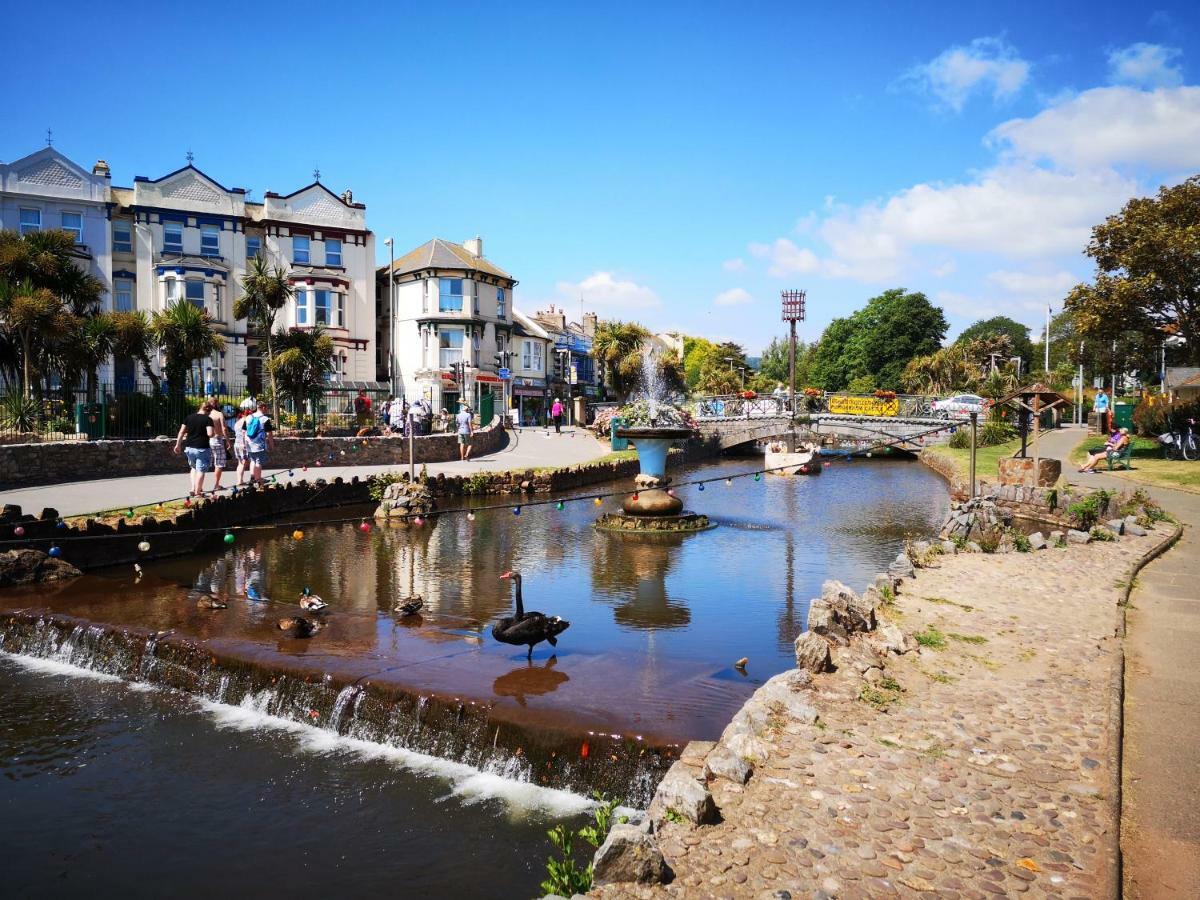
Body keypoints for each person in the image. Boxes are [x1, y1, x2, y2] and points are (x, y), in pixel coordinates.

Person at [173, 401, 215, 496]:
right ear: (209, 410)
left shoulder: (189, 417)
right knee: (201, 470)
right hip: (202, 448)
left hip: (189, 447)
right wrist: (214, 432)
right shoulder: (208, 419)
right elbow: (210, 434)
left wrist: (177, 444)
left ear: (199, 407)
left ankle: (193, 488)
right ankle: (197, 492)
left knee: (193, 468)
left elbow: (181, 432)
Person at [245, 399, 275, 484]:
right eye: (266, 408)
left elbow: (244, 431)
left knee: (253, 460)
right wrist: (271, 445)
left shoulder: (248, 417)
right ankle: (258, 480)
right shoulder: (265, 419)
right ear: (263, 407)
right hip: (259, 444)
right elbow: (269, 434)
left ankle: (253, 477)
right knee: (258, 462)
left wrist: (245, 443)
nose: (266, 410)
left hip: (249, 444)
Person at [206, 395, 229, 493]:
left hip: (207, 440)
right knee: (219, 463)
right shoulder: (219, 414)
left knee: (204, 464)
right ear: (215, 404)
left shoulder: (206, 414)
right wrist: (227, 440)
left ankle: (199, 486)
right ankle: (216, 484)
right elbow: (224, 428)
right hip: (217, 439)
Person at [232, 409, 251, 485]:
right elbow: (245, 434)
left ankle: (240, 480)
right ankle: (240, 481)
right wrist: (244, 444)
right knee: (243, 463)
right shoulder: (246, 422)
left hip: (237, 444)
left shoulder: (237, 422)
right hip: (243, 444)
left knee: (240, 463)